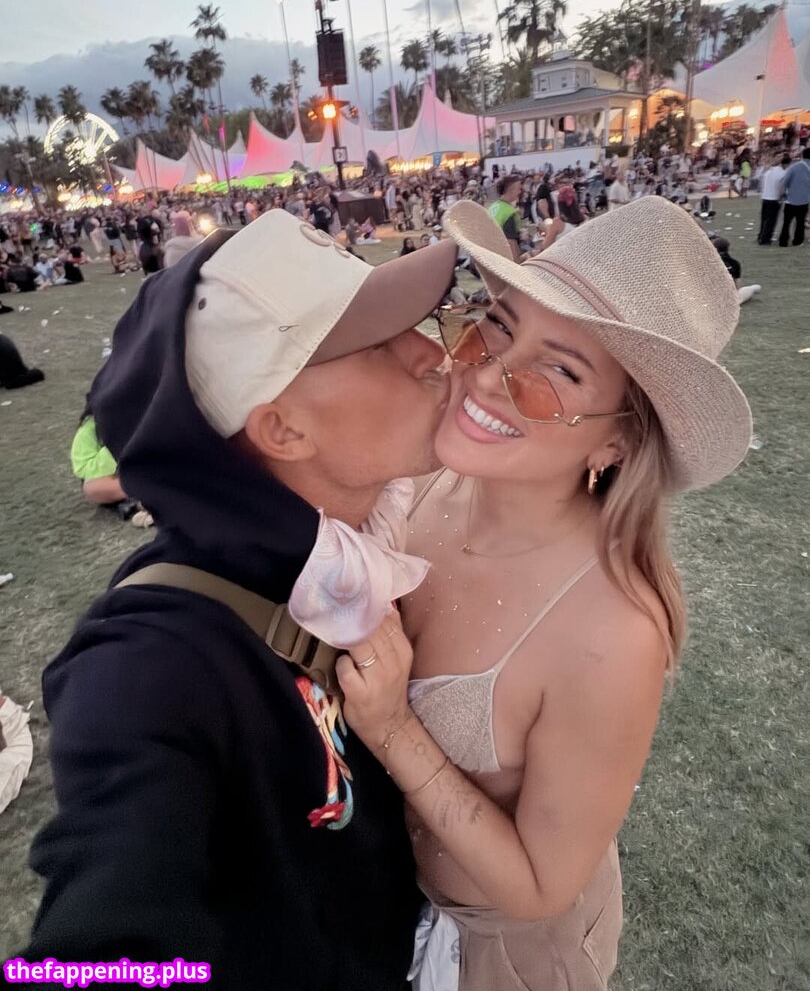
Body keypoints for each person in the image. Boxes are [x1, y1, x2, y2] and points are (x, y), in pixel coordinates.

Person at [21, 211, 457, 990]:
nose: (430, 353)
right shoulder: (152, 661)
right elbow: (106, 925)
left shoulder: (356, 548)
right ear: (281, 430)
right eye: (380, 345)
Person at [338, 196, 752, 991]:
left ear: (618, 437)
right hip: (378, 910)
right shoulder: (426, 483)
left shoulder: (612, 631)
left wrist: (393, 729)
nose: (489, 374)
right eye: (495, 326)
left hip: (505, 957)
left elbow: (539, 886)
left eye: (559, 371)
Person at [712, 236, 761, 304]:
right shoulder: (734, 263)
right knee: (752, 289)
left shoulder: (708, 262)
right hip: (727, 295)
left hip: (712, 293)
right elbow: (737, 283)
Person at [778, 147, 810, 247]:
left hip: (790, 200)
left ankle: (783, 241)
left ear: (802, 155)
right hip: (804, 200)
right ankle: (797, 241)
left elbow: (784, 182)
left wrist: (781, 194)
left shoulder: (794, 167)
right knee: (800, 223)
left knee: (786, 222)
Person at [758, 154, 790, 245]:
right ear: (786, 164)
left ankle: (761, 236)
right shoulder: (783, 173)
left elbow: (762, 182)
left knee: (764, 219)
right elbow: (781, 187)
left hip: (765, 197)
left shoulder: (769, 171)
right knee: (771, 220)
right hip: (774, 198)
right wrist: (781, 197)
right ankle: (765, 239)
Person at [487, 175, 523, 259]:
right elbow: (511, 242)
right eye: (519, 189)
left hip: (487, 253)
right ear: (511, 190)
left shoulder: (492, 206)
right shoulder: (509, 212)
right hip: (500, 256)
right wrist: (517, 262)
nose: (520, 192)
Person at [541, 184, 585, 250]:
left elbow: (545, 246)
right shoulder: (584, 218)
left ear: (559, 204)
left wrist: (543, 234)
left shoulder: (557, 223)